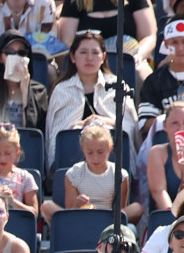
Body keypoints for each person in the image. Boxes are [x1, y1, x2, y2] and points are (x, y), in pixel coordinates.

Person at [44, 29, 137, 169]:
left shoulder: (117, 86)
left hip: (113, 166)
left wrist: (106, 122)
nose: (89, 58)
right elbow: (55, 136)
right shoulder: (61, 90)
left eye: (95, 53)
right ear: (72, 57)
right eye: (83, 52)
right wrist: (83, 125)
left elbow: (130, 129)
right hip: (71, 165)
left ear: (103, 57)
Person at [58, 0, 157, 84]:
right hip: (88, 59)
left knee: (142, 75)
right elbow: (67, 41)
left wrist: (138, 56)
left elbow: (148, 35)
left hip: (129, 57)